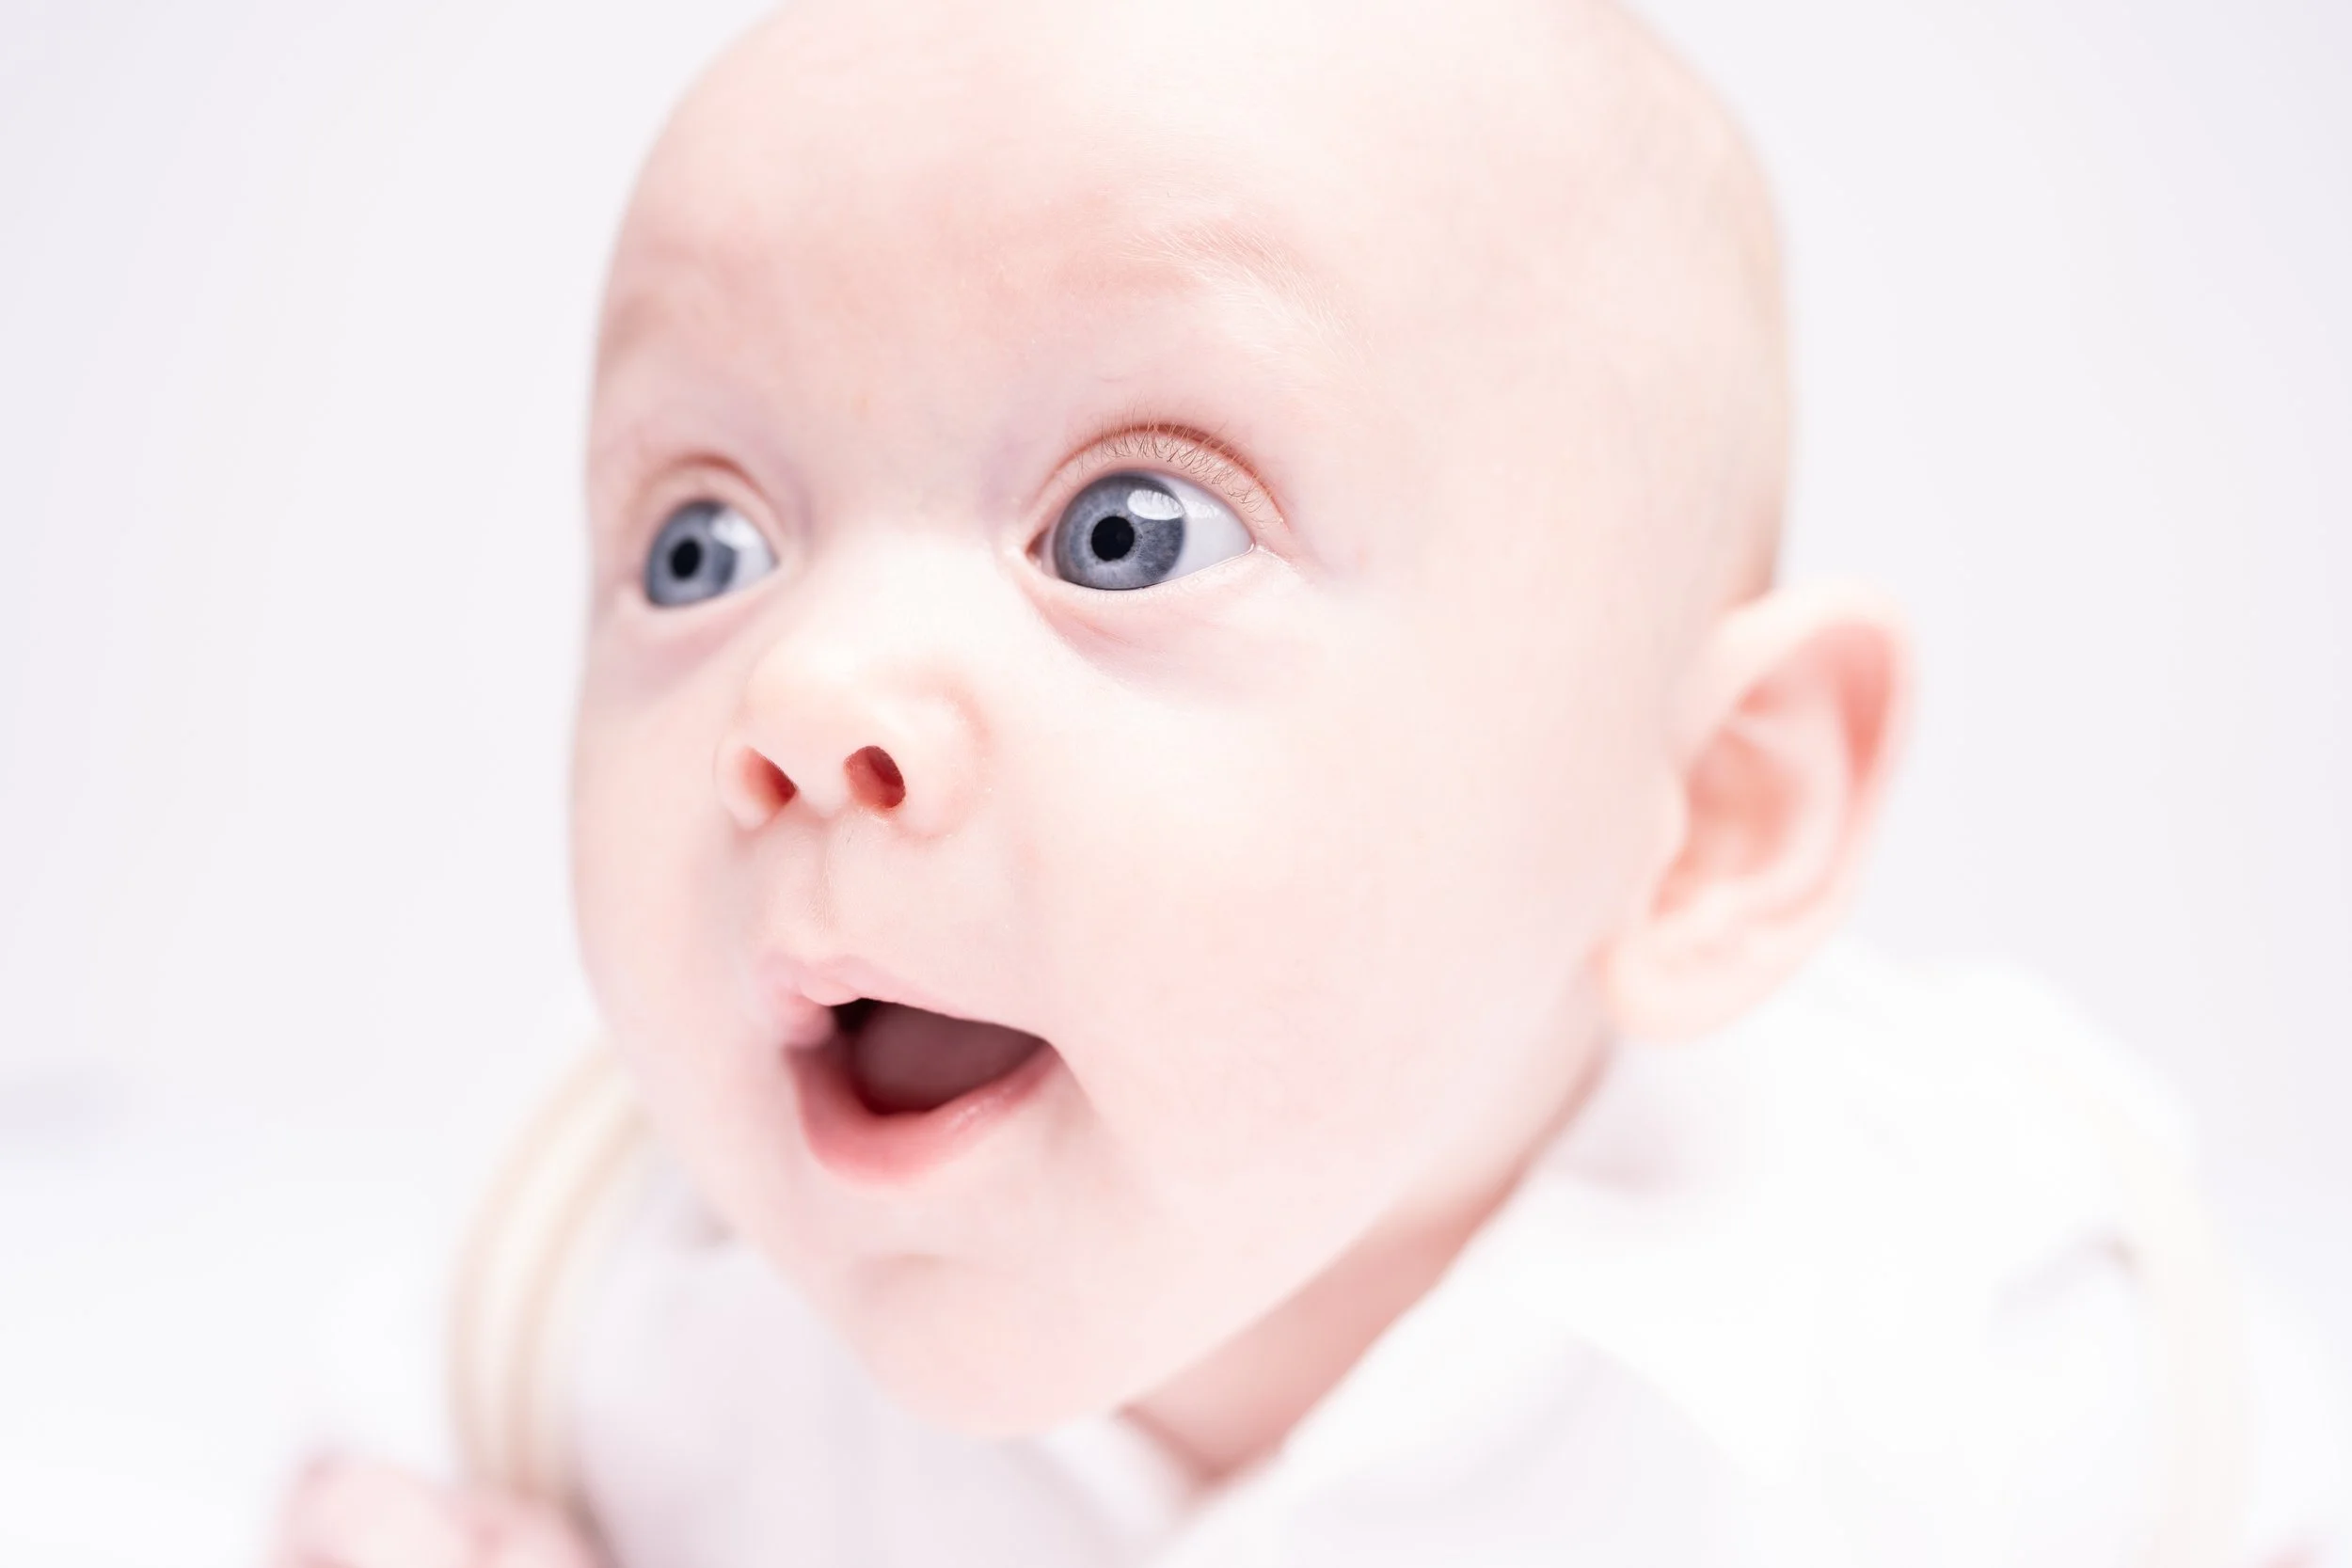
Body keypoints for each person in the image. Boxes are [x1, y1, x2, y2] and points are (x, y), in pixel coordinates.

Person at [272, 0, 2346, 1561]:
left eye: (1128, 532)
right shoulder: (590, 1298)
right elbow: (364, 1477)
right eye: (697, 545)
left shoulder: (1990, 1380)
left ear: (1707, 817)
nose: (804, 693)